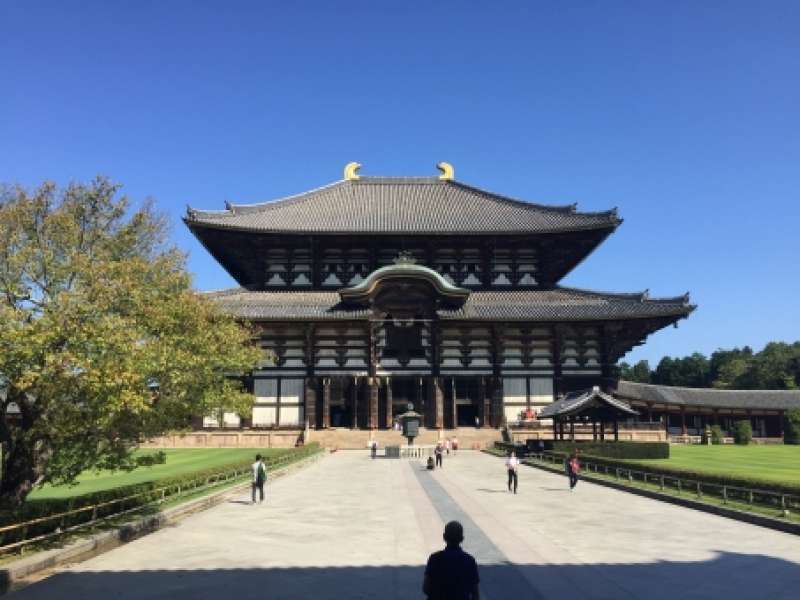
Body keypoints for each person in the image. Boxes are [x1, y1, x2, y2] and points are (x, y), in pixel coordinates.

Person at [423, 521, 480, 600]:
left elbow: (426, 588)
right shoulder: (469, 561)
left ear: (444, 537)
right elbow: (475, 593)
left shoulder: (434, 558)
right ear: (462, 538)